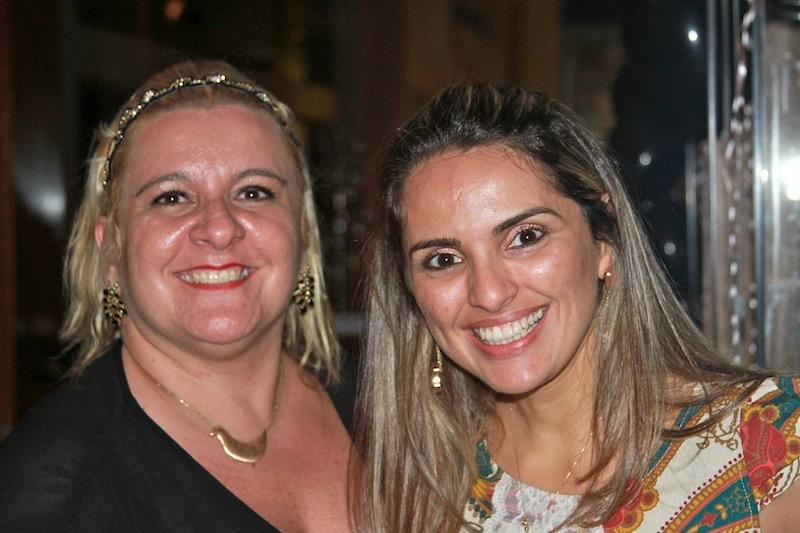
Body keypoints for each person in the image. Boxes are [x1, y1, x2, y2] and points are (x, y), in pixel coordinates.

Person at [354, 83, 800, 532]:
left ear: (602, 239)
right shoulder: (418, 479)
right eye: (443, 260)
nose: (488, 293)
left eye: (525, 237)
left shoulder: (769, 443)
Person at [0, 60, 352, 532]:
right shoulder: (56, 492)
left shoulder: (388, 409)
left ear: (303, 234)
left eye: (254, 192)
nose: (220, 228)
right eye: (171, 197)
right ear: (111, 248)